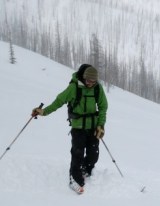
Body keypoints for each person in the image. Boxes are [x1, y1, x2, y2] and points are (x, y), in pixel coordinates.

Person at [32, 64, 108, 194]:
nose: (90, 84)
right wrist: (43, 112)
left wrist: (101, 125)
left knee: (93, 155)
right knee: (77, 153)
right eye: (88, 81)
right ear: (84, 78)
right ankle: (75, 178)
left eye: (93, 81)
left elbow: (103, 107)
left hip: (93, 126)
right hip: (78, 126)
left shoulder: (97, 88)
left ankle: (86, 169)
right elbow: (58, 102)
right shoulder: (74, 88)